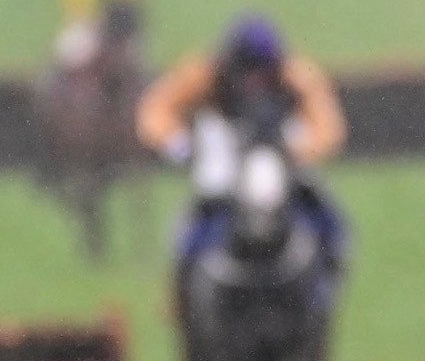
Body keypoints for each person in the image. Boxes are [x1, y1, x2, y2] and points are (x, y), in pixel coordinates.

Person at [136, 16, 349, 295]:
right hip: (224, 158)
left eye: (262, 72)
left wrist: (301, 150)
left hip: (281, 157)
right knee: (188, 235)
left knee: (330, 224)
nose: (254, 81)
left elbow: (328, 126)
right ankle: (183, 300)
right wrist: (180, 145)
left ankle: (323, 294)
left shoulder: (296, 76)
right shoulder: (204, 74)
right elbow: (156, 110)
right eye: (246, 71)